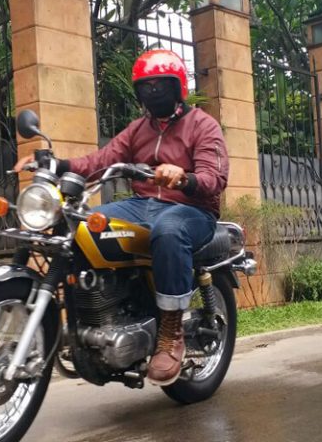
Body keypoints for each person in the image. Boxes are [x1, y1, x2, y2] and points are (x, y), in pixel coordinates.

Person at [13, 49, 229, 386]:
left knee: (168, 231)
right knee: (79, 222)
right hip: (142, 204)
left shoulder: (203, 125)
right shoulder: (138, 129)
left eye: (160, 85)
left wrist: (183, 177)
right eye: (146, 86)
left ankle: (171, 332)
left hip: (192, 209)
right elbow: (100, 161)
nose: (153, 91)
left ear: (178, 87)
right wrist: (54, 164)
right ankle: (93, 311)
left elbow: (214, 178)